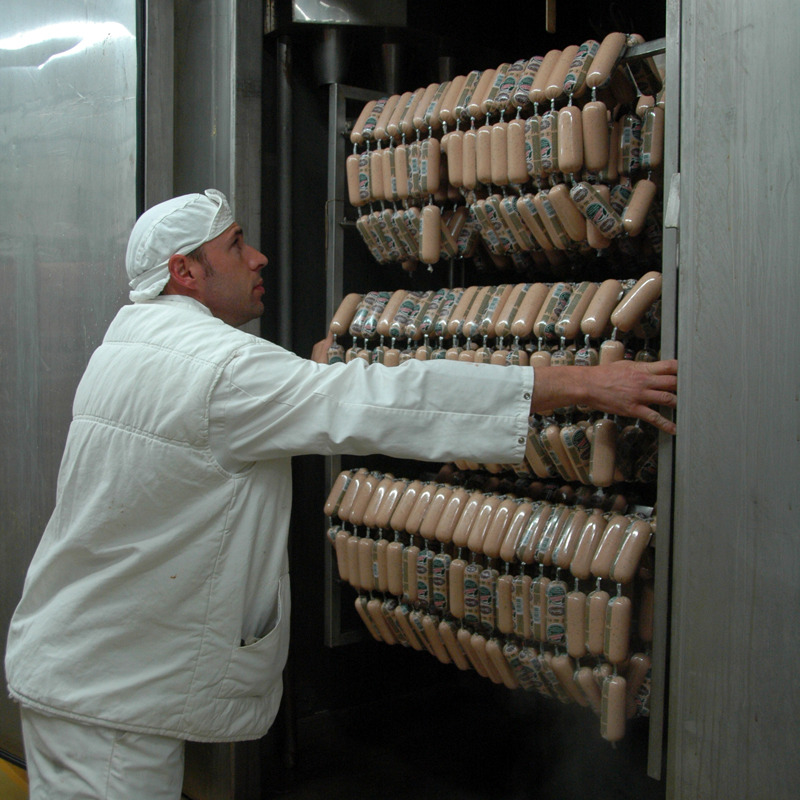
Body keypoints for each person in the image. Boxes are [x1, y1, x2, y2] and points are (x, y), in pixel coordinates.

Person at [5, 189, 677, 798]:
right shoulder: (223, 368)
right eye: (235, 245)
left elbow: (218, 414)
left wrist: (308, 380)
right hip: (113, 697)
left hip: (86, 662)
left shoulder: (131, 347)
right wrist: (581, 384)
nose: (259, 257)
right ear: (185, 271)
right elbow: (388, 401)